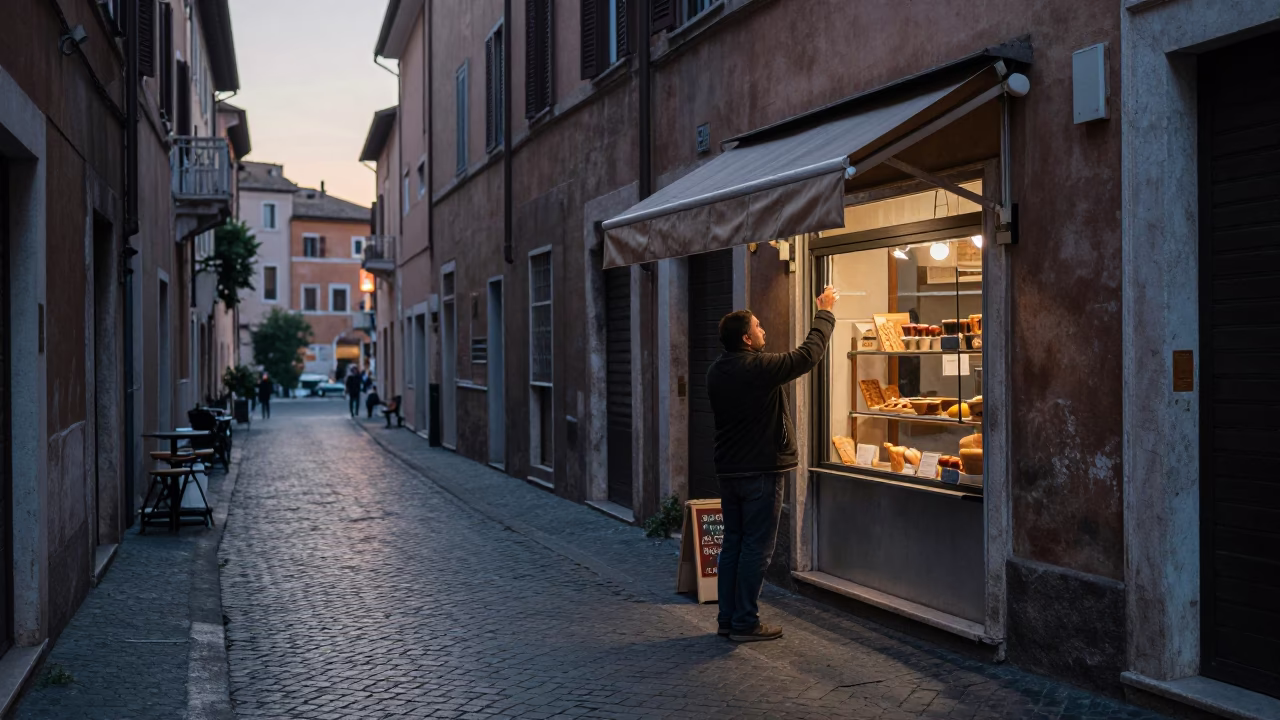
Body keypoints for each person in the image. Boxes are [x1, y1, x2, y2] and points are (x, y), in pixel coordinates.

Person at [707, 284, 838, 642]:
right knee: (756, 548)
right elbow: (807, 356)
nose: (764, 331)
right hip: (760, 471)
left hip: (729, 471)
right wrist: (824, 313)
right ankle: (746, 623)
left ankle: (727, 619)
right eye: (759, 327)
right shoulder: (757, 368)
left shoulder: (717, 371)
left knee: (733, 543)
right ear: (747, 340)